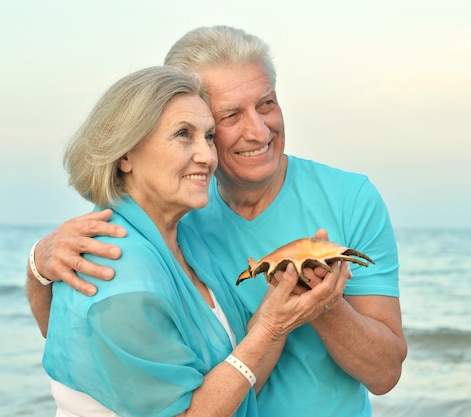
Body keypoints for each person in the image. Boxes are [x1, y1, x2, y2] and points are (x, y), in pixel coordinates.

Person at [27, 26, 407, 417]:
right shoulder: (176, 213)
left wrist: (321, 301)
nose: (259, 131)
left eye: (266, 104)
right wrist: (39, 265)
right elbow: (88, 333)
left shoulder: (350, 198)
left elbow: (385, 374)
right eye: (229, 116)